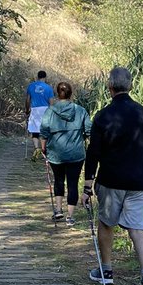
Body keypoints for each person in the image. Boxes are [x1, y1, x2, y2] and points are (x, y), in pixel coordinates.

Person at [82, 66, 143, 285]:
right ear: (131, 86)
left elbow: (93, 153)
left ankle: (106, 270)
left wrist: (87, 185)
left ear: (109, 87)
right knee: (138, 228)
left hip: (111, 179)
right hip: (140, 180)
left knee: (106, 223)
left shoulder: (103, 116)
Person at [39, 81, 91, 226]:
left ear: (57, 94)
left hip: (56, 154)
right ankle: (70, 216)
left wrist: (43, 149)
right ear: (71, 94)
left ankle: (58, 209)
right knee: (73, 183)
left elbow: (44, 132)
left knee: (58, 180)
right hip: (76, 154)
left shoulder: (50, 111)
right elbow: (89, 130)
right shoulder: (80, 110)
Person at [26, 70, 54, 158]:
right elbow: (51, 103)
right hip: (45, 110)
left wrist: (27, 110)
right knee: (44, 130)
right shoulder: (48, 88)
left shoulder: (31, 86)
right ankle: (43, 149)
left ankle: (36, 148)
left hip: (34, 109)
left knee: (34, 130)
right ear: (45, 77)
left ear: (37, 77)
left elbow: (28, 100)